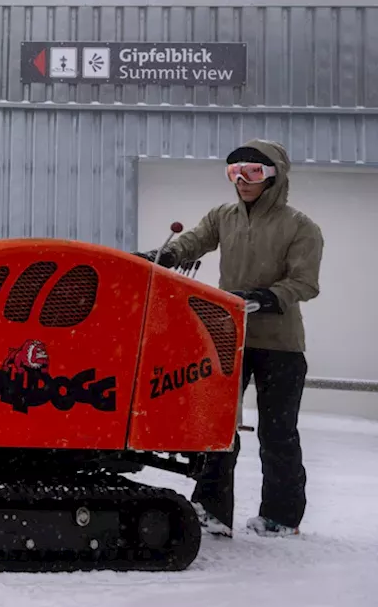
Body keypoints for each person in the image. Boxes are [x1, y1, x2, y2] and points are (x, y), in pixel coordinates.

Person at [137, 139, 324, 538]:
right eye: (234, 172)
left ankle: (281, 516)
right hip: (227, 341)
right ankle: (211, 511)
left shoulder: (300, 226)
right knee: (217, 428)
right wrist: (165, 256)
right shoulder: (223, 216)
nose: (241, 180)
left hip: (280, 345)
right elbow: (194, 240)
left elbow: (305, 283)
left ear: (274, 176)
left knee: (278, 433)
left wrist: (267, 298)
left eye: (253, 172)